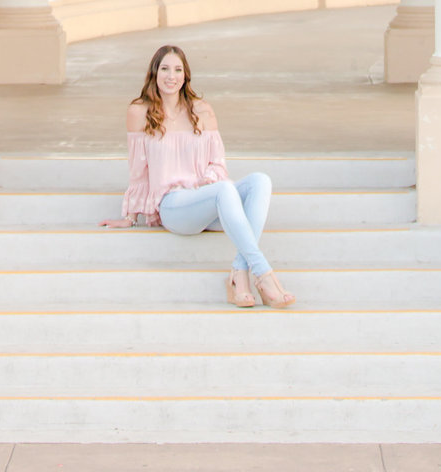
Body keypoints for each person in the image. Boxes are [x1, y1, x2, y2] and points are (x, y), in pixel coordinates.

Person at [100, 42, 295, 309]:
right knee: (225, 190)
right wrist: (131, 215)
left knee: (260, 181)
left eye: (178, 69)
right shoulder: (140, 112)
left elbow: (218, 164)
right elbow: (138, 171)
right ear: (154, 74)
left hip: (208, 198)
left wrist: (208, 183)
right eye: (165, 69)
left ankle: (239, 272)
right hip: (174, 206)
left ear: (186, 75)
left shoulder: (202, 111)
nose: (171, 76)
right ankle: (263, 274)